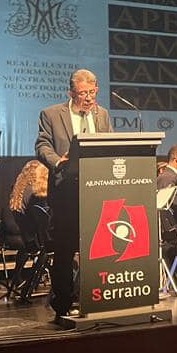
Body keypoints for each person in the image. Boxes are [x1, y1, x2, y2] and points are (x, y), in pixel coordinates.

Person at [35, 68, 114, 318]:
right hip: (66, 192)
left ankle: (95, 297)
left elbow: (110, 143)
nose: (89, 98)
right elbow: (42, 144)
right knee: (66, 249)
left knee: (99, 248)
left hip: (97, 190)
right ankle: (63, 305)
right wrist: (58, 161)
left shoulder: (102, 114)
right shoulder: (51, 114)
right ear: (71, 92)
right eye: (83, 94)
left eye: (92, 92)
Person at [5, 159, 51, 295]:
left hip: (26, 239)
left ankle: (18, 279)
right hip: (36, 241)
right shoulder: (36, 193)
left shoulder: (18, 190)